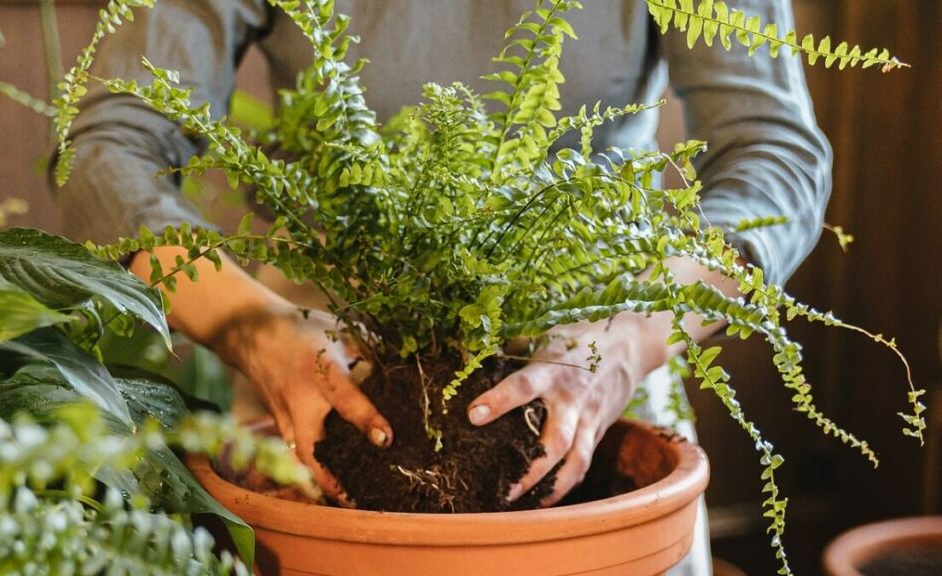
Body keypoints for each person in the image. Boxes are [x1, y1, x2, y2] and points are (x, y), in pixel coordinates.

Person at [56, 1, 831, 573]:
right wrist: (256, 331)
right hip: (327, 386)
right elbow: (112, 152)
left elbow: (775, 158)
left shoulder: (610, 354)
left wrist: (626, 341)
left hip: (587, 380)